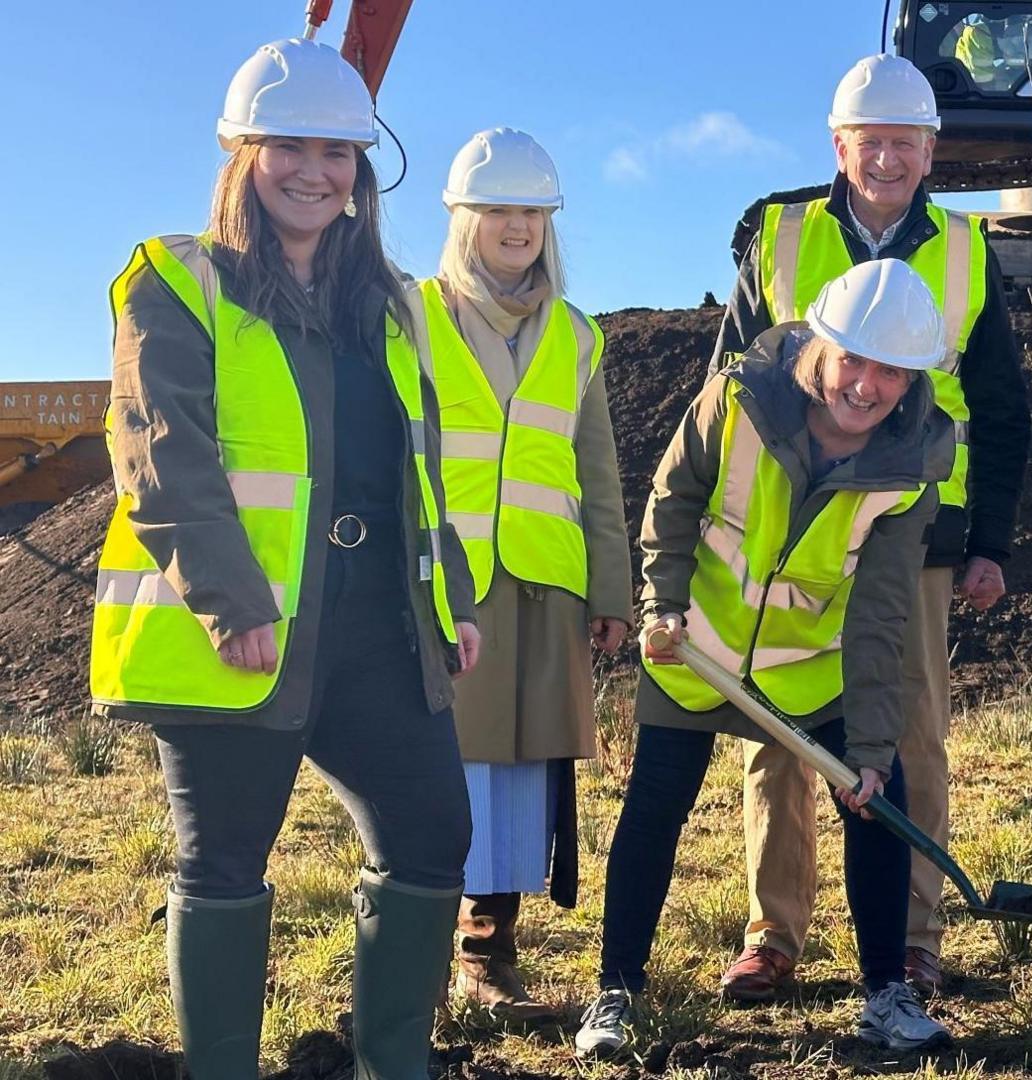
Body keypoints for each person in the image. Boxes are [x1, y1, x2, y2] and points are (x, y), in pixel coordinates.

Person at [90, 38, 480, 1080]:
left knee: (435, 829)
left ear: (362, 171)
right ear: (241, 156)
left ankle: (389, 1062)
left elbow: (419, 471)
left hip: (373, 628)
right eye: (288, 148)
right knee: (222, 862)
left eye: (337, 152)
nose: (315, 171)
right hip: (243, 633)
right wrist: (229, 598)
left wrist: (455, 596)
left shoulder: (388, 306)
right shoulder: (180, 281)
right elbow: (160, 455)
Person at [576, 259, 957, 1056]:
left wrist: (875, 748)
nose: (868, 385)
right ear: (819, 343)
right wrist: (660, 604)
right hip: (696, 647)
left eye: (892, 370)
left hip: (809, 665)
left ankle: (885, 992)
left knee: (880, 799)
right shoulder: (737, 400)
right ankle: (616, 990)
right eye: (854, 358)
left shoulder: (910, 467)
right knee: (654, 808)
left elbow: (884, 613)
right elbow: (673, 502)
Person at [709, 53, 1029, 999]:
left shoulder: (968, 252)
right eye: (870, 142)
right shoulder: (780, 235)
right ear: (840, 146)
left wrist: (991, 542)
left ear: (931, 151)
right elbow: (728, 389)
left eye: (904, 143)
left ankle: (912, 935)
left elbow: (1004, 409)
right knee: (779, 729)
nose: (886, 159)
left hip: (916, 529)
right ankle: (773, 934)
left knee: (910, 731)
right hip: (787, 527)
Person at [415, 128, 632, 1023]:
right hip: (439, 582)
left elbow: (600, 472)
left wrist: (612, 591)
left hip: (544, 585)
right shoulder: (411, 314)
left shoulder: (577, 336)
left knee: (521, 770)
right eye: (497, 210)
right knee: (438, 764)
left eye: (530, 213)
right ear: (462, 219)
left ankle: (488, 949)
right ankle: (418, 948)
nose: (516, 228)